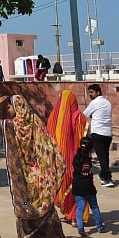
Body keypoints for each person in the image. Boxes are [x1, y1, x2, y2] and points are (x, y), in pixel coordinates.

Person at [0, 95, 67, 238]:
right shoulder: (36, 123)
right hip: (42, 175)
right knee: (46, 207)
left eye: (9, 107)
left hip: (23, 177)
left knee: (27, 208)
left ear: (17, 107)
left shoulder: (12, 125)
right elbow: (48, 147)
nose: (8, 110)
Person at [46, 89, 88, 223]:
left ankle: (69, 214)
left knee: (65, 188)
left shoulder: (53, 117)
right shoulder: (79, 117)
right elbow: (82, 140)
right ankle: (75, 217)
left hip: (58, 162)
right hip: (75, 159)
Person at [71, 136, 106, 237]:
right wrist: (87, 170)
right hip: (88, 187)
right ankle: (99, 226)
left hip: (77, 186)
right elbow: (86, 167)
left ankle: (80, 228)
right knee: (94, 207)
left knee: (80, 208)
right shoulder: (87, 159)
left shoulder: (75, 157)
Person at [83, 83, 114, 187]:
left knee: (102, 157)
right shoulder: (108, 103)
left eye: (92, 92)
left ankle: (107, 178)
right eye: (89, 93)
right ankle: (104, 176)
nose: (90, 95)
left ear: (98, 92)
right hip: (108, 133)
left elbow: (83, 115)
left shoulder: (95, 103)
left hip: (98, 133)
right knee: (104, 155)